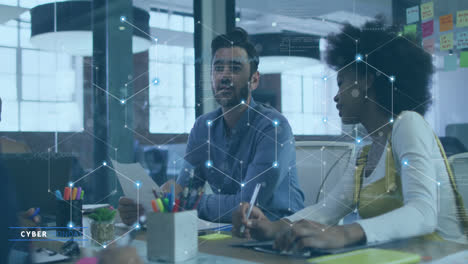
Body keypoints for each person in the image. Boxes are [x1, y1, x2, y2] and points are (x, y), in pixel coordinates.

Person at [232, 17, 468, 251]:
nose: (336, 96)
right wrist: (274, 227)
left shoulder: (408, 124)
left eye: (342, 82)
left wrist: (344, 233)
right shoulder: (365, 151)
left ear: (366, 80)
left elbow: (423, 213)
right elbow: (328, 209)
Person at [119, 28, 304, 224]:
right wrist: (154, 204)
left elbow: (247, 206)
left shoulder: (273, 128)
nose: (224, 76)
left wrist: (187, 203)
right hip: (228, 233)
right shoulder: (203, 127)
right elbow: (184, 191)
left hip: (281, 235)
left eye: (235, 68)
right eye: (218, 68)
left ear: (254, 80)